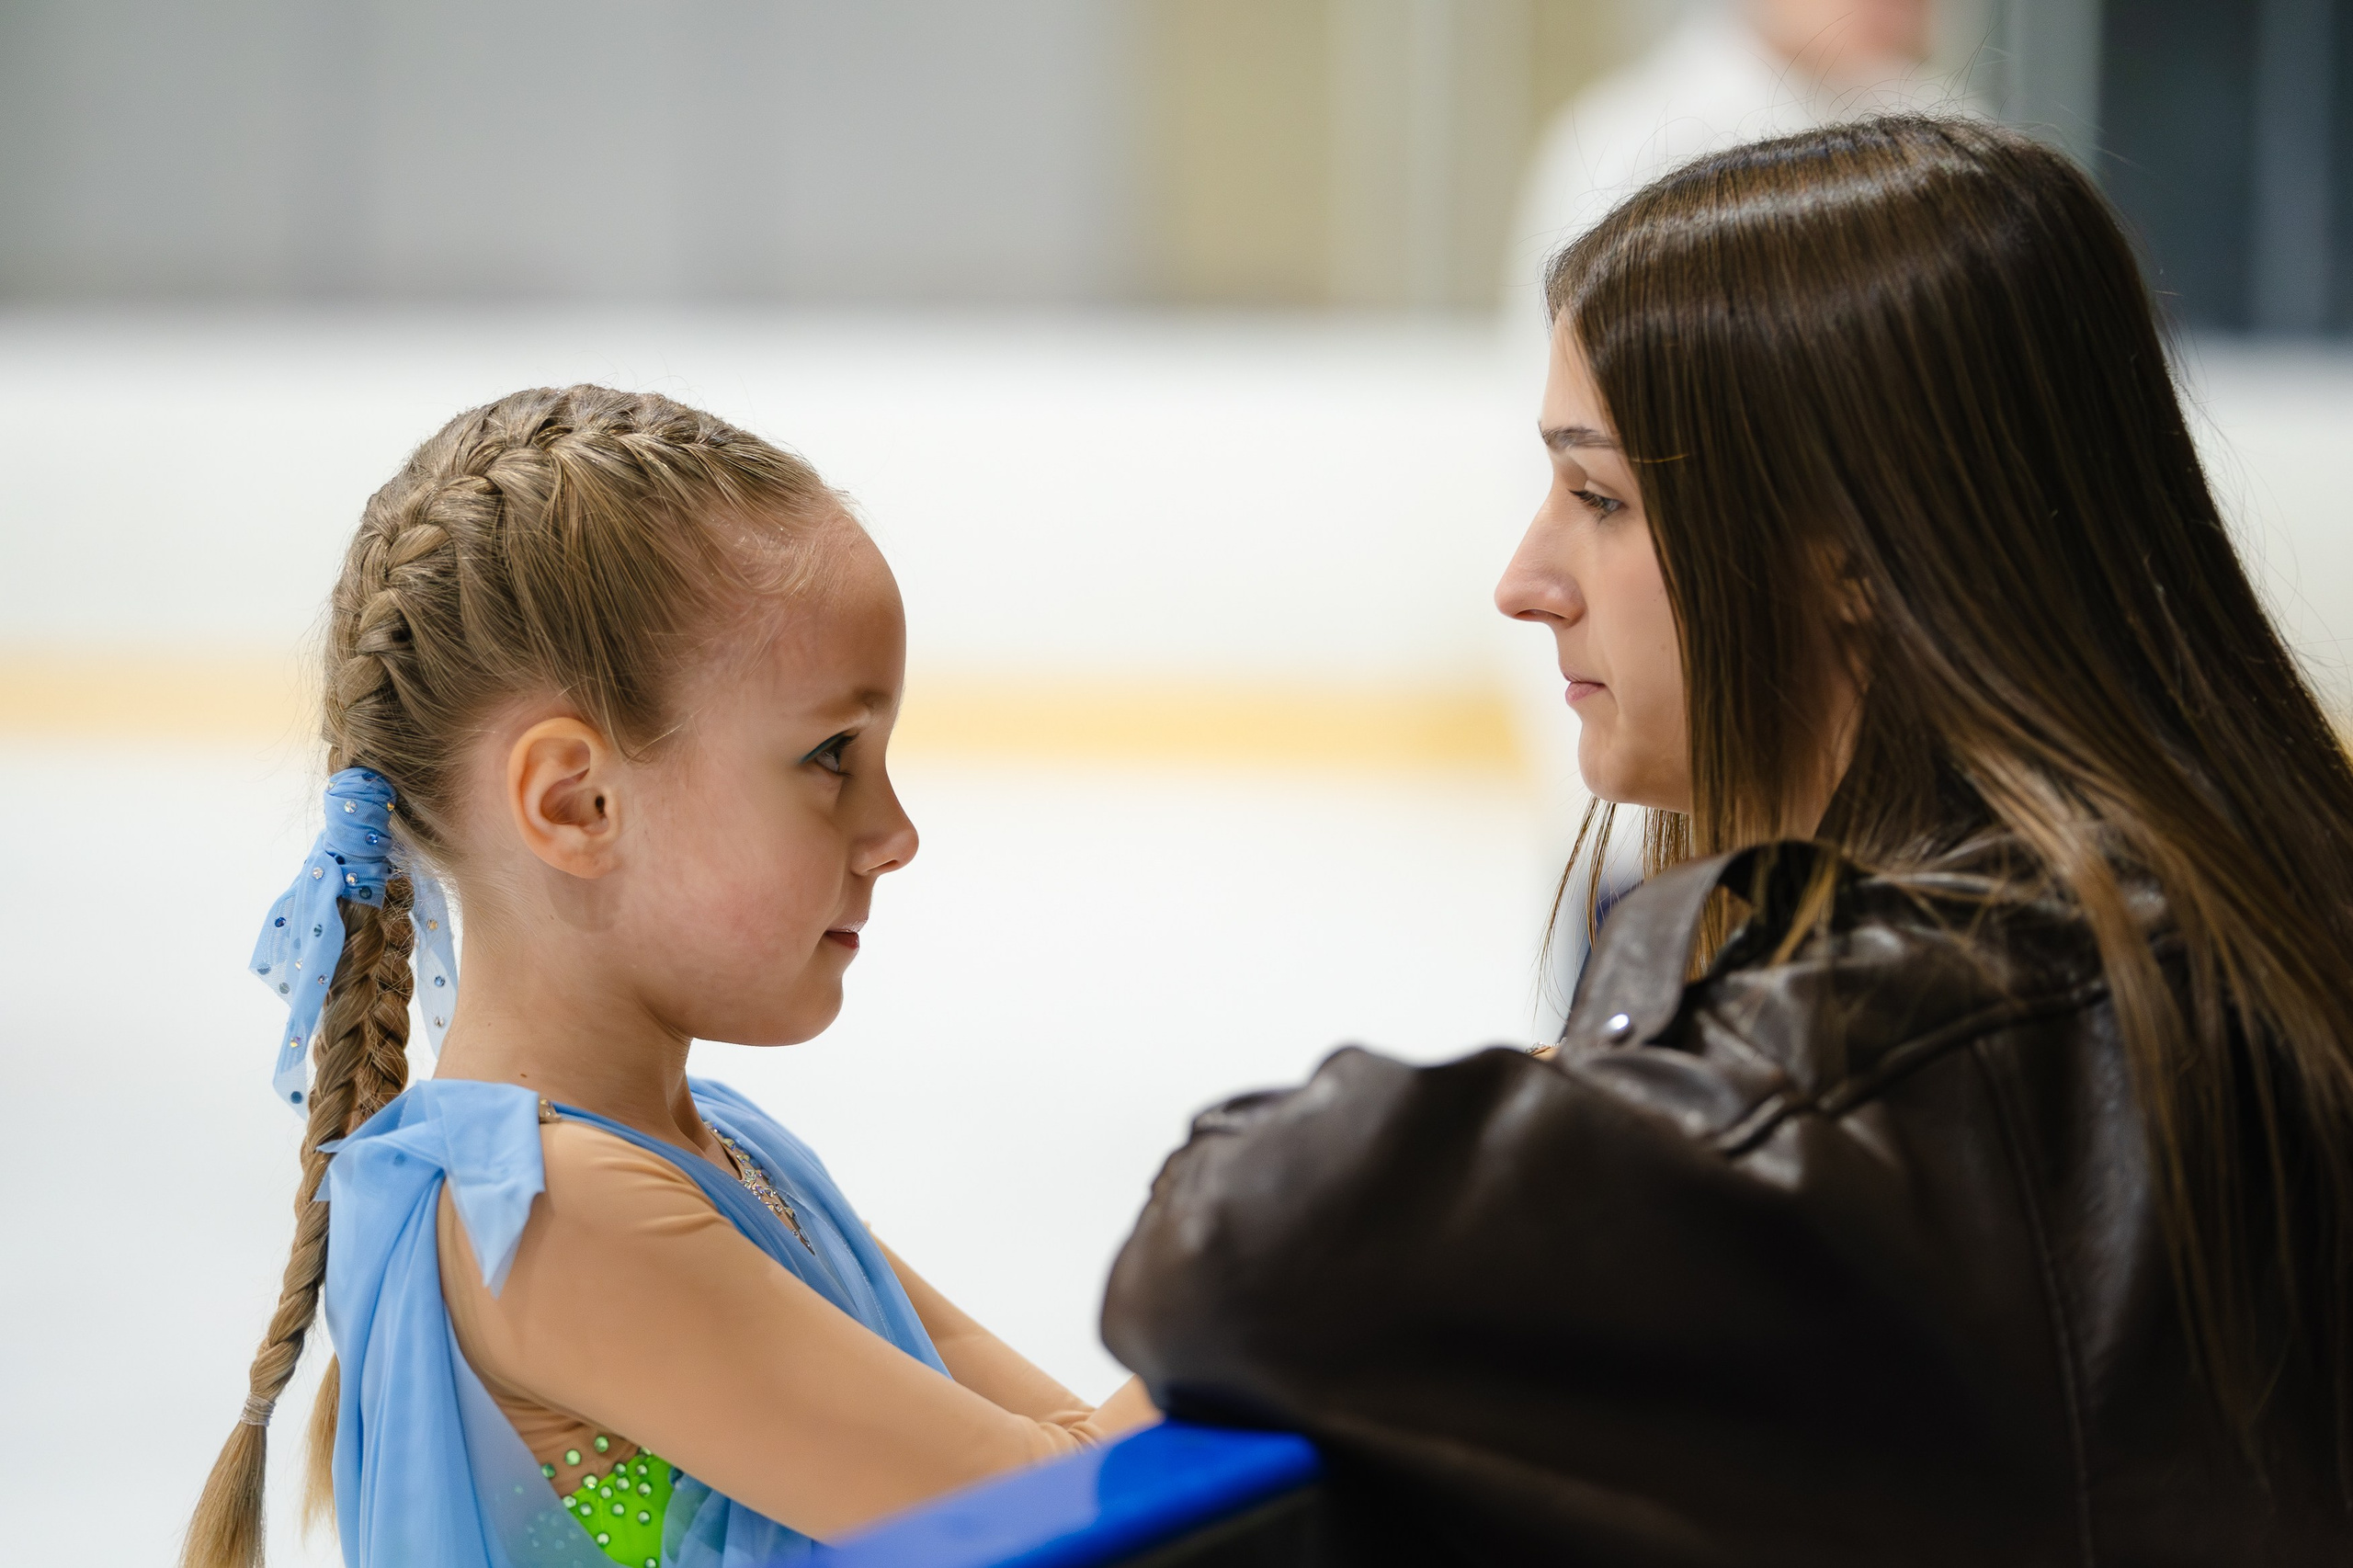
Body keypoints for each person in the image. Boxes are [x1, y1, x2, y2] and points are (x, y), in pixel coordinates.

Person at [1105, 118, 2353, 1564]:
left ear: (1849, 560)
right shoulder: (2258, 902)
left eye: (1601, 498)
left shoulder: (1884, 1045)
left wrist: (1605, 1066)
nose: (1527, 579)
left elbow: (1237, 1246)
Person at [183, 388, 1154, 1568]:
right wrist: (1302, 1279)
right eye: (830, 757)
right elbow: (1054, 1515)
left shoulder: (720, 1147)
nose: (894, 830)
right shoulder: (549, 1212)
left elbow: (1078, 1472)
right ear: (575, 802)